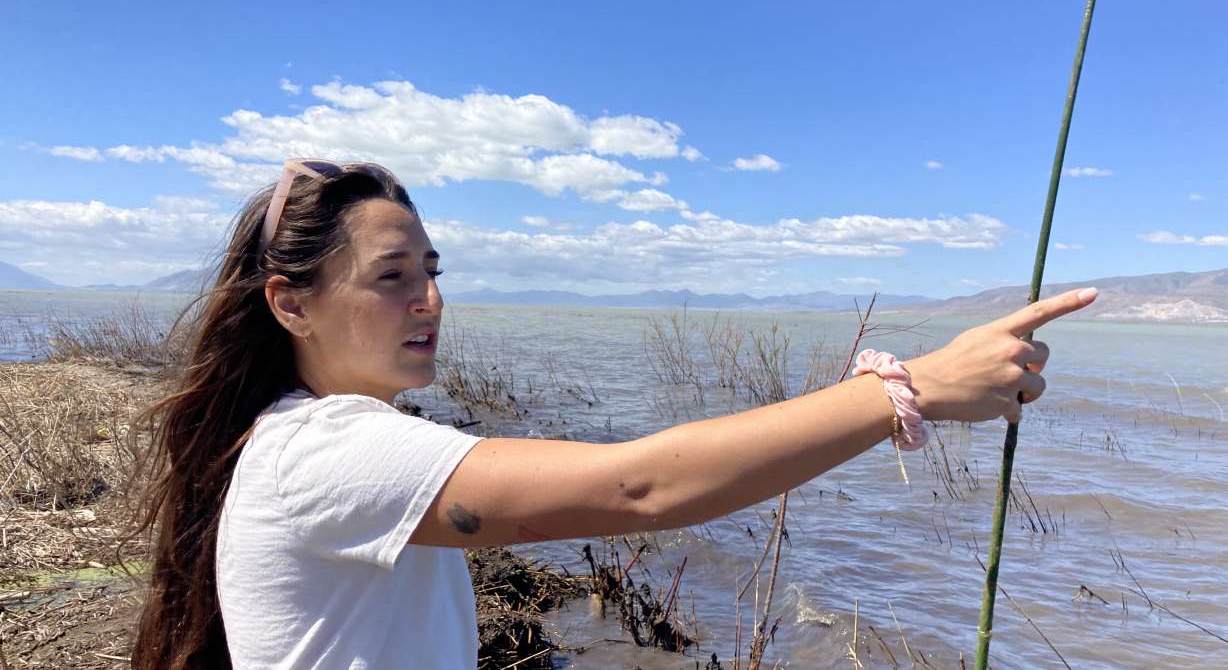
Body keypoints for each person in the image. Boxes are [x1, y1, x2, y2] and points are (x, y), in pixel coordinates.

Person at [128, 159, 1097, 669]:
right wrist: (906, 390)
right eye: (392, 278)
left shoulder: (316, 440)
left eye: (432, 272)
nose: (428, 299)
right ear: (290, 303)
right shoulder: (324, 451)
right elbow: (639, 487)